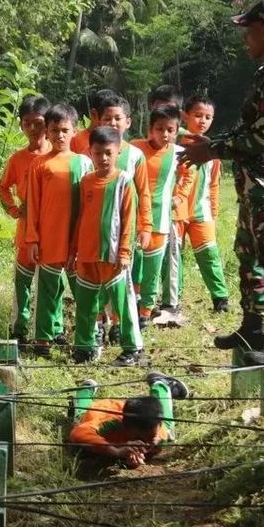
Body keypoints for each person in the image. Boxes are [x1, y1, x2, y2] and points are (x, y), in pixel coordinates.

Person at [179, 0, 264, 366]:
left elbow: (261, 139)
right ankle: (253, 326)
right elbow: (249, 130)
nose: (244, 40)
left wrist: (214, 150)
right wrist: (214, 144)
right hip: (254, 183)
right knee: (249, 254)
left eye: (248, 32)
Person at [84, 94, 151, 366]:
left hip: (121, 236)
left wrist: (145, 227)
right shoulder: (89, 156)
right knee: (93, 290)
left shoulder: (135, 155)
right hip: (93, 241)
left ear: (127, 121)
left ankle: (126, 338)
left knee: (121, 290)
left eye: (117, 118)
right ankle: (97, 329)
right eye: (107, 117)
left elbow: (143, 194)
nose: (112, 122)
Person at [25, 103, 93, 356]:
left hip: (78, 240)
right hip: (49, 238)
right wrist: (32, 238)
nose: (60, 135)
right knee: (47, 290)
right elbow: (32, 204)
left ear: (75, 131)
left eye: (65, 130)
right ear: (47, 131)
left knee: (82, 290)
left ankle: (87, 338)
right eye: (55, 130)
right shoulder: (39, 164)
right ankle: (43, 339)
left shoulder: (84, 163)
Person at [68, 127, 136, 363]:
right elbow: (80, 218)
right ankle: (84, 347)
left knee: (122, 302)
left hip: (114, 255)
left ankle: (132, 348)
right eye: (98, 153)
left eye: (108, 152)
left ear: (118, 151)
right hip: (87, 254)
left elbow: (129, 219)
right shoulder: (85, 181)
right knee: (85, 303)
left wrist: (125, 251)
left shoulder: (124, 181)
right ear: (90, 153)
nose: (103, 158)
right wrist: (73, 250)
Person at [168, 95, 229, 314]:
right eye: (198, 115)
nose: (202, 121)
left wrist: (213, 210)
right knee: (174, 257)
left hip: (201, 212)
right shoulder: (173, 146)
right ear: (185, 116)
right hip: (176, 211)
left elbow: (214, 184)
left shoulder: (213, 151)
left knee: (209, 254)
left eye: (208, 117)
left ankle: (220, 299)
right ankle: (174, 300)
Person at [133, 105, 194, 325]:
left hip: (160, 220)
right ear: (150, 129)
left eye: (170, 129)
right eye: (159, 128)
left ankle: (145, 314)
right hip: (133, 219)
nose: (164, 134)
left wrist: (179, 197)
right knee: (132, 264)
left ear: (177, 130)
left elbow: (189, 175)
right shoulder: (135, 149)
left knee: (153, 269)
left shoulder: (179, 153)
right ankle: (131, 304)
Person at [0, 95, 50, 342]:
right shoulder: (18, 159)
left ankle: (52, 328)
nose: (32, 129)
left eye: (38, 123)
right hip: (26, 228)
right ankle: (19, 327)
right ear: (21, 125)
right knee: (23, 279)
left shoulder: (59, 155)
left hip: (53, 228)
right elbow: (2, 186)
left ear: (47, 124)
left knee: (51, 282)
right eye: (27, 123)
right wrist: (13, 209)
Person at [69, 394, 169, 468]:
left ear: (160, 424)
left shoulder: (159, 429)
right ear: (124, 425)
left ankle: (160, 384)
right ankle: (86, 389)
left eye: (150, 437)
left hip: (127, 411)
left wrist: (154, 443)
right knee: (80, 414)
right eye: (137, 438)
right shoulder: (112, 424)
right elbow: (78, 432)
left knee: (170, 430)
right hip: (100, 410)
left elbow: (162, 435)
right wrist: (116, 451)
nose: (142, 442)